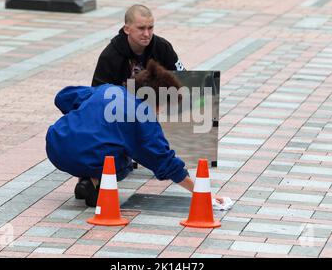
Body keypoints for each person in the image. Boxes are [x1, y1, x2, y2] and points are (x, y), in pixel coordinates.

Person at [46, 60, 222, 207]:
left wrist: (83, 116)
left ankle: (87, 181)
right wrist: (203, 193)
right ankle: (94, 182)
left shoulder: (107, 89)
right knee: (125, 162)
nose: (160, 112)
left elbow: (62, 97)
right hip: (86, 157)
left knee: (99, 141)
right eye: (163, 107)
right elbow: (165, 161)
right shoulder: (144, 115)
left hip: (55, 144)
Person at [91, 4, 185, 87]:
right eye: (141, 28)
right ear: (127, 29)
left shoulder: (163, 47)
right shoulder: (109, 56)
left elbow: (184, 79)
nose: (147, 34)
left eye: (150, 28)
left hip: (158, 104)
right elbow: (97, 95)